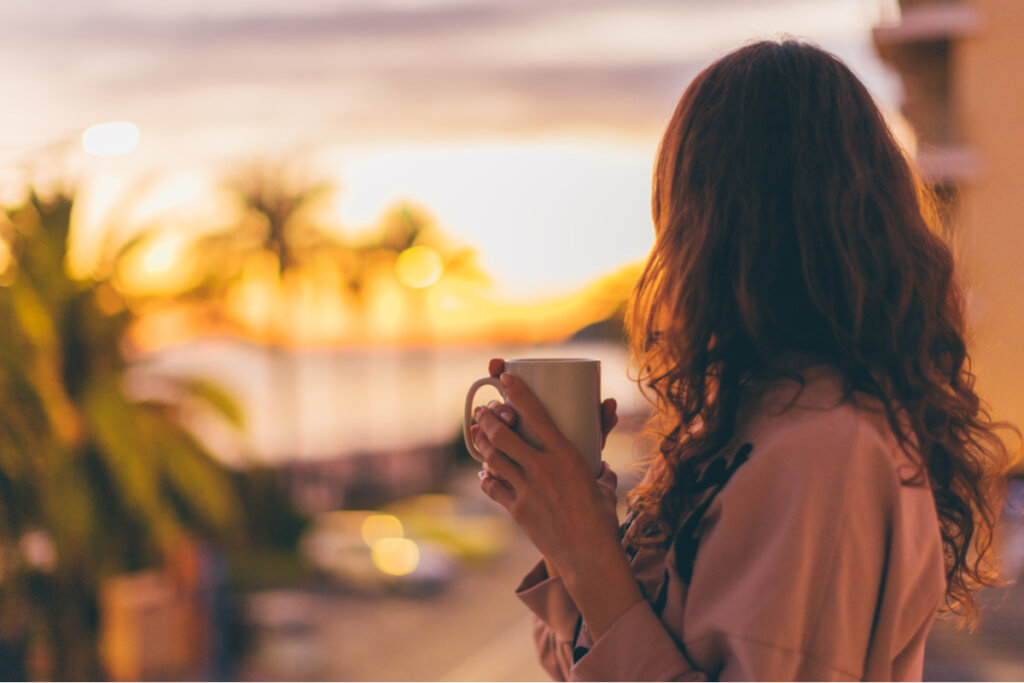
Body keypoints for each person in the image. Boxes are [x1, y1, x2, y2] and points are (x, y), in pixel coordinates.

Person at [467, 39, 1019, 681]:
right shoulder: (743, 427)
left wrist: (585, 549)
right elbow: (583, 659)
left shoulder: (825, 449)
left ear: (711, 225)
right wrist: (566, 522)